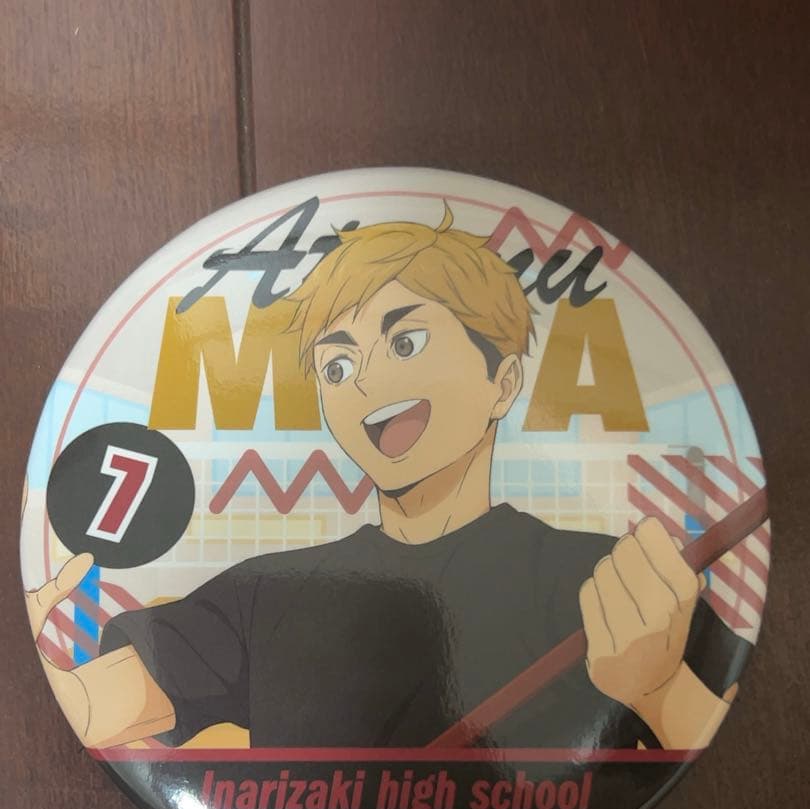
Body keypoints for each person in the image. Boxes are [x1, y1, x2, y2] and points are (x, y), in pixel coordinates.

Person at [26, 209, 747, 751]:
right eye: (337, 365)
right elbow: (98, 704)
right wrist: (31, 671)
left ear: (502, 382)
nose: (365, 381)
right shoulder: (264, 595)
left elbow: (745, 756)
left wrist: (660, 692)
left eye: (407, 341)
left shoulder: (613, 584)